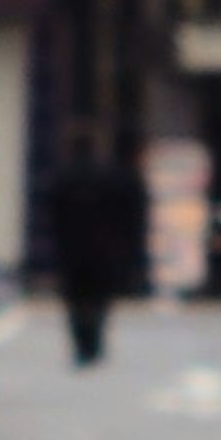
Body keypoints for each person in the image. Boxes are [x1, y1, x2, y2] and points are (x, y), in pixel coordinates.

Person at [46, 132, 154, 366]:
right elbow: (131, 217)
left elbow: (53, 216)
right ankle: (94, 341)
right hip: (105, 249)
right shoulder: (113, 178)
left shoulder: (63, 179)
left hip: (72, 250)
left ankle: (82, 343)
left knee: (75, 299)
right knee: (99, 298)